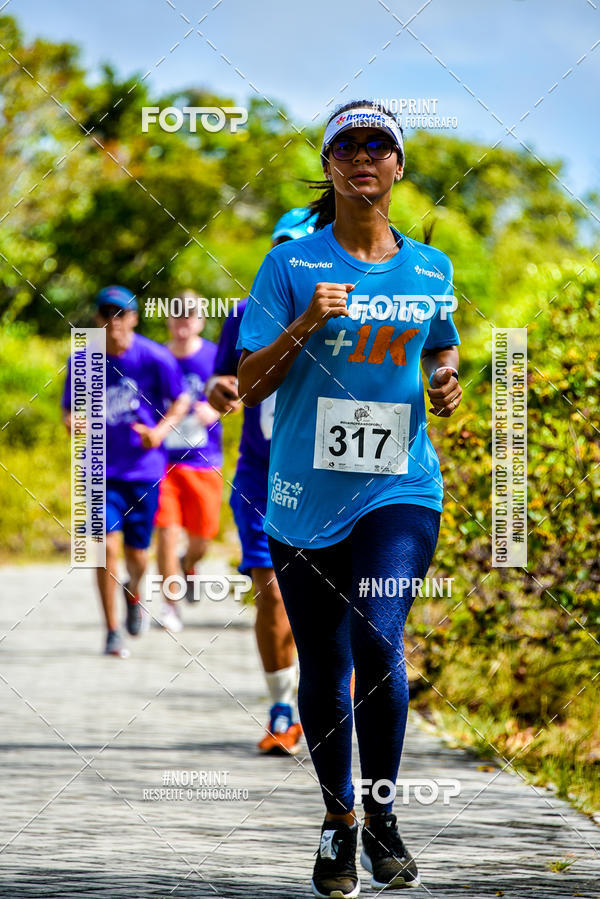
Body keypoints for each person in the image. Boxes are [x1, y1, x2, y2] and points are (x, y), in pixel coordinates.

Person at [237, 101, 462, 897]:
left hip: (402, 484)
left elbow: (441, 347)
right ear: (328, 163)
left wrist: (446, 379)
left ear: (398, 165)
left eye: (378, 145)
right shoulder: (290, 264)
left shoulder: (431, 267)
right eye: (347, 145)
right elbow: (249, 383)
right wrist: (306, 321)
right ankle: (340, 819)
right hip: (303, 495)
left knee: (377, 633)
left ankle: (384, 814)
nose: (363, 155)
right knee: (326, 662)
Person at [207, 208, 317, 756]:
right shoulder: (245, 310)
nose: (287, 257)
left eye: (297, 246)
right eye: (280, 246)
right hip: (260, 474)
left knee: (329, 599)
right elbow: (220, 380)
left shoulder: (347, 307)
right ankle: (281, 709)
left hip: (324, 477)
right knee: (271, 591)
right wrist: (219, 392)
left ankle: (327, 701)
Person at [62, 285, 189, 658]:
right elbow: (69, 408)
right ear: (97, 319)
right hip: (99, 470)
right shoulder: (83, 359)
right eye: (106, 314)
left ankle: (133, 592)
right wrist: (73, 423)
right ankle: (112, 630)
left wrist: (160, 432)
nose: (113, 322)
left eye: (121, 314)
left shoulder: (154, 356)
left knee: (138, 555)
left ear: (133, 318)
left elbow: (182, 398)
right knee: (105, 547)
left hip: (144, 471)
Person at [154, 292, 223, 632]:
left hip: (203, 460)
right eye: (177, 313)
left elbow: (239, 391)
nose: (183, 320)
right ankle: (170, 606)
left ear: (201, 319)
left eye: (190, 314)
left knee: (202, 538)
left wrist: (217, 409)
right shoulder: (157, 357)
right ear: (168, 318)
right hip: (161, 462)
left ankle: (189, 563)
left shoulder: (214, 356)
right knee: (166, 532)